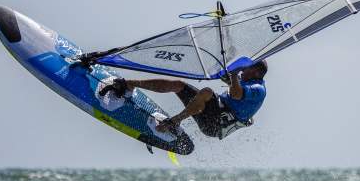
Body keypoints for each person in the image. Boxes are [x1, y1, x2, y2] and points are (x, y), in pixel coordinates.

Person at [100, 60, 267, 139]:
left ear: (256, 73)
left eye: (247, 68)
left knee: (207, 92)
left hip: (215, 125)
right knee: (179, 85)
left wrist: (233, 76)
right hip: (215, 110)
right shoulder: (246, 82)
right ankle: (129, 85)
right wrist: (230, 76)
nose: (243, 71)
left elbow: (237, 94)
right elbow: (234, 89)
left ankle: (173, 122)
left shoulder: (258, 89)